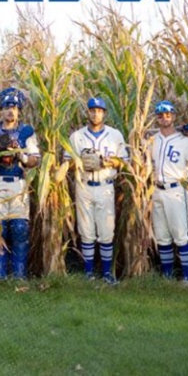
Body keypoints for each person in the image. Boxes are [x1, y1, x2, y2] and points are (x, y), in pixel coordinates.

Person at [64, 97, 129, 285]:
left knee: (106, 232)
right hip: (84, 185)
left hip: (106, 185)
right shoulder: (77, 136)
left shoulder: (114, 135)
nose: (95, 114)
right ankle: (88, 273)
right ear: (88, 112)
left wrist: (106, 162)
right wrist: (80, 162)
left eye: (99, 111)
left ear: (105, 113)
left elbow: (124, 162)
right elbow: (66, 163)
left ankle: (107, 274)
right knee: (86, 232)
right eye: (92, 110)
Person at [0, 88, 40, 279]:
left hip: (18, 182)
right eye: (7, 107)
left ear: (19, 110)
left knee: (19, 228)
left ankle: (19, 274)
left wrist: (18, 155)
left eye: (14, 107)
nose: (10, 111)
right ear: (1, 109)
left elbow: (34, 160)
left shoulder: (25, 132)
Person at [148, 100, 188, 287]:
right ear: (156, 117)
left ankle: (187, 279)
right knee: (162, 236)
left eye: (168, 114)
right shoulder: (152, 140)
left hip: (176, 191)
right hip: (157, 190)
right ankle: (167, 277)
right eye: (160, 115)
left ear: (173, 116)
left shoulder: (185, 141)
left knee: (181, 236)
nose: (164, 118)